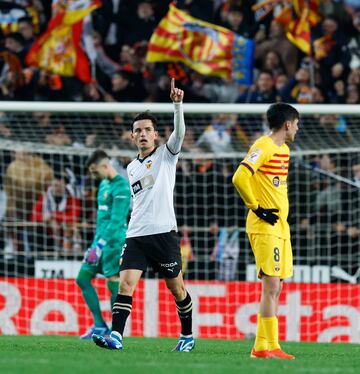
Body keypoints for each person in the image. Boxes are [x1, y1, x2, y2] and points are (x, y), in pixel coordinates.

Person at [92, 78, 195, 352]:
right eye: (138, 131)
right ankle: (116, 336)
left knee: (177, 289)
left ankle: (187, 335)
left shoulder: (167, 155)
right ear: (132, 136)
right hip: (136, 233)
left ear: (156, 135)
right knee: (125, 285)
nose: (143, 134)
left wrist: (177, 105)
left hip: (163, 233)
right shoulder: (130, 168)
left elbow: (181, 134)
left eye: (148, 130)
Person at [232, 103, 299, 360]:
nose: (297, 129)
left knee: (276, 287)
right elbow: (240, 177)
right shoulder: (263, 145)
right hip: (264, 225)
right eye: (296, 124)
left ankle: (267, 345)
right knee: (270, 284)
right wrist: (256, 208)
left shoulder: (284, 151)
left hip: (281, 226)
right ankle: (264, 347)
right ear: (287, 124)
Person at [76, 149, 131, 339]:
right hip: (99, 242)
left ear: (105, 165)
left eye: (94, 170)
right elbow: (102, 220)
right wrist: (95, 244)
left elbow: (116, 222)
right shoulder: (103, 185)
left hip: (114, 242)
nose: (93, 175)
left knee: (113, 281)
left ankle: (116, 330)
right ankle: (99, 325)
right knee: (82, 278)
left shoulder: (122, 187)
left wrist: (100, 245)